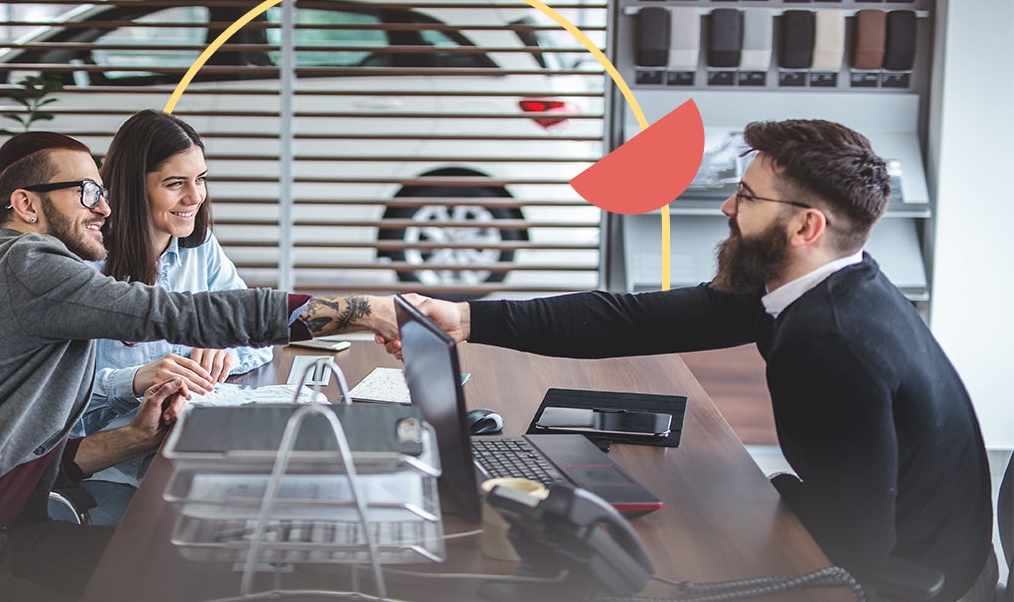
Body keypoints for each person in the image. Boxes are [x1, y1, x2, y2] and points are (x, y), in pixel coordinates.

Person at [395, 119, 995, 602]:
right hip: (899, 543)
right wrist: (468, 318)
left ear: (806, 226)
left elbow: (860, 551)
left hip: (922, 580)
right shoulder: (816, 284)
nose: (728, 207)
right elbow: (628, 318)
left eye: (748, 196)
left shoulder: (831, 343)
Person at [0, 131, 398, 602]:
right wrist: (367, 311)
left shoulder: (36, 276)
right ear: (26, 204)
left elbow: (27, 460)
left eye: (100, 189)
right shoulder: (25, 268)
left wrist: (131, 437)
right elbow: (193, 314)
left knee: (190, 571)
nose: (104, 205)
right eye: (85, 192)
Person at [73, 110, 272, 524]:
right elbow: (55, 392)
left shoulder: (200, 249)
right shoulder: (85, 264)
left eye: (200, 179)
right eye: (175, 183)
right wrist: (133, 380)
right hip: (108, 469)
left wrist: (225, 348)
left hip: (182, 450)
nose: (195, 196)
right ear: (132, 188)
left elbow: (257, 329)